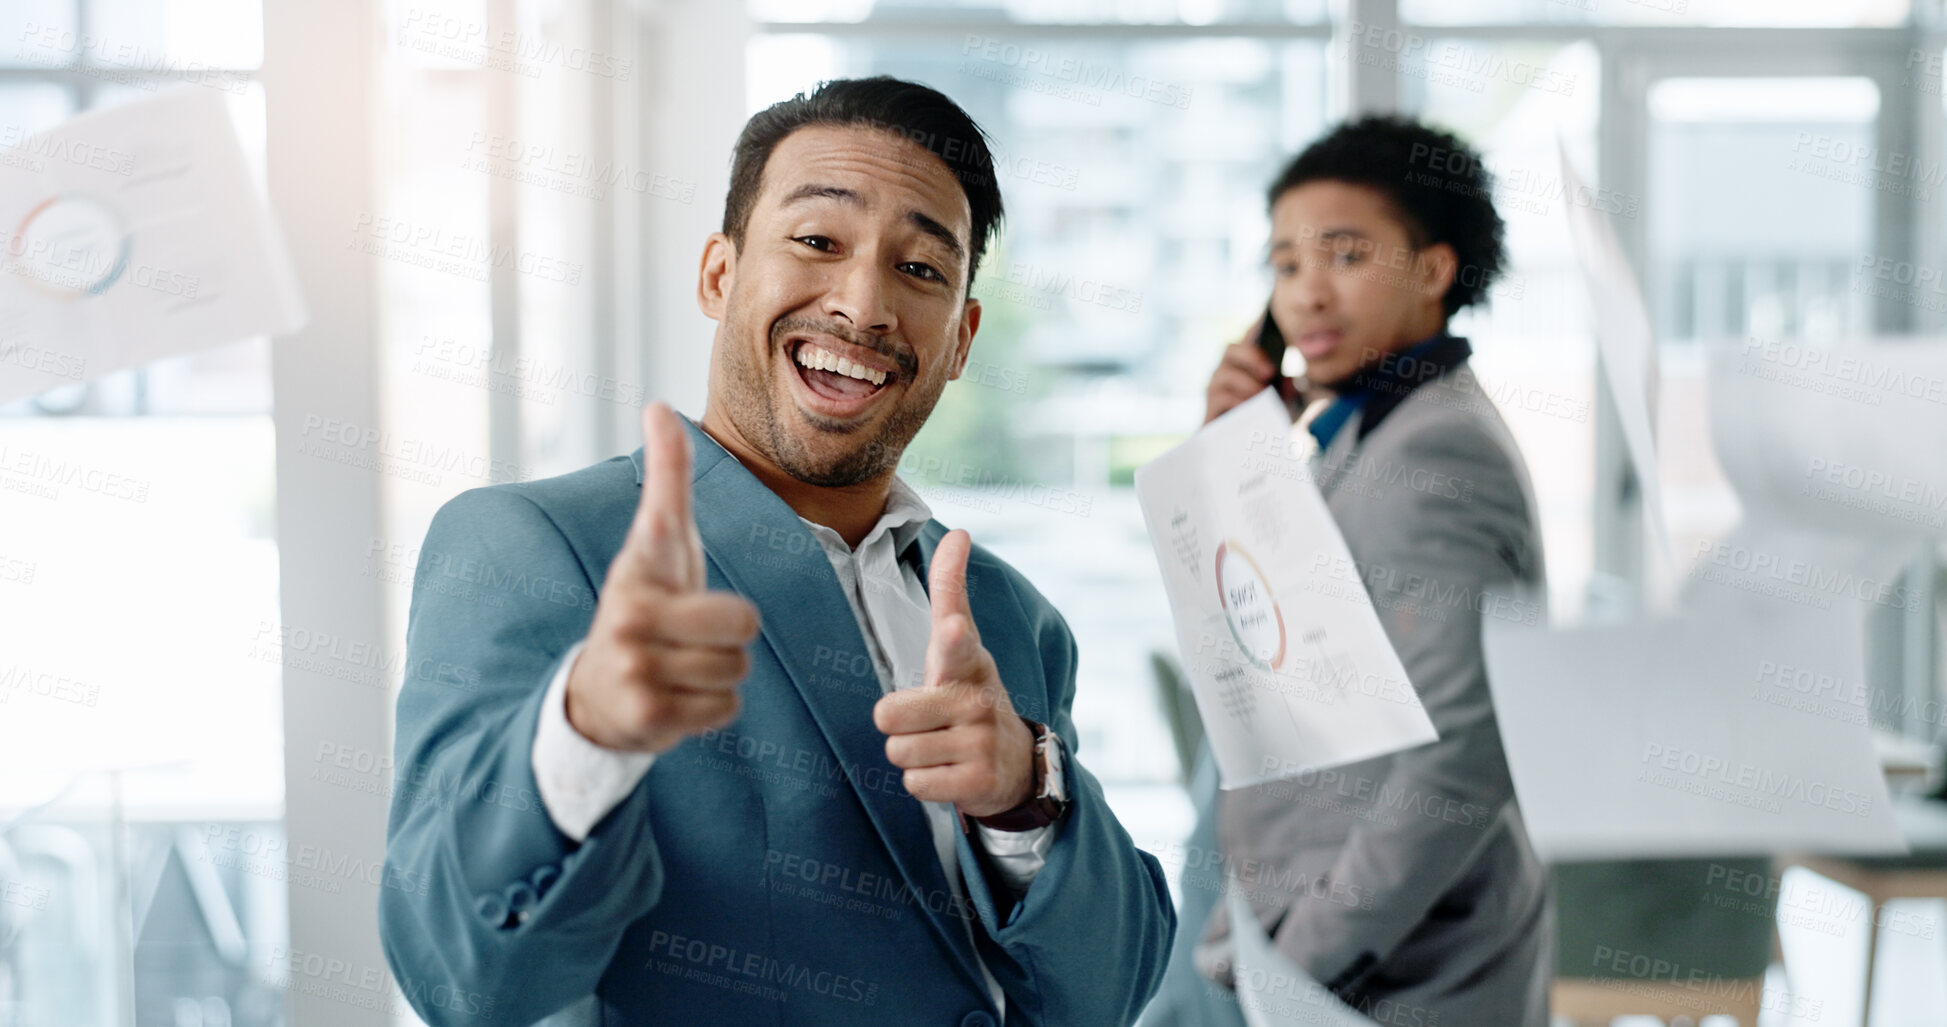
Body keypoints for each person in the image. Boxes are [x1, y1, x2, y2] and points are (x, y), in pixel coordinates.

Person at [378, 76, 1174, 1027]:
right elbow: (458, 977)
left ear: (961, 338)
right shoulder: (535, 545)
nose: (864, 303)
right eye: (816, 242)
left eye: (920, 269)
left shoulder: (1010, 618)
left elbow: (1106, 993)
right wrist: (581, 729)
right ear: (719, 274)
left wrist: (1022, 800)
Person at [1193, 115, 1552, 1026]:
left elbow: (1459, 758)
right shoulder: (1362, 428)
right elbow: (1273, 654)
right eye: (1283, 266)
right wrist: (1237, 464)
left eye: (1344, 257)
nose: (1305, 296)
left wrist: (1304, 961)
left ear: (1432, 270)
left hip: (1392, 973)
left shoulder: (1437, 456)